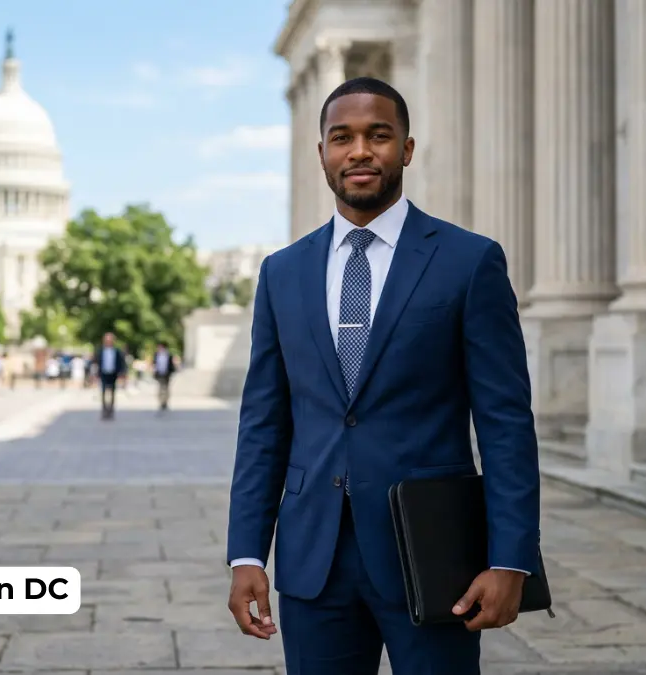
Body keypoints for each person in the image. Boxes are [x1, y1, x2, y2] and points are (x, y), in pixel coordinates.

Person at [225, 77, 540, 674]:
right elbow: (264, 424)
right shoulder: (282, 273)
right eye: (341, 137)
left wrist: (512, 559)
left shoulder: (469, 262)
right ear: (321, 153)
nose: (360, 151)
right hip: (313, 562)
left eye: (379, 135)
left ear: (408, 149)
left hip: (431, 554)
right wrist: (246, 553)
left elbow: (505, 423)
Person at [95, 332, 126, 419]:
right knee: (104, 392)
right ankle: (104, 410)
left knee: (112, 392)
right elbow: (97, 363)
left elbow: (121, 363)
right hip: (104, 374)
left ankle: (111, 410)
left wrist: (121, 374)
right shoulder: (100, 351)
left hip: (113, 374)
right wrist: (96, 374)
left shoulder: (117, 351)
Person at [152, 342, 176, 410]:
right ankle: (161, 402)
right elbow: (154, 364)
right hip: (159, 374)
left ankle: (165, 402)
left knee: (166, 388)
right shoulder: (156, 355)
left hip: (166, 374)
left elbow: (171, 365)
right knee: (160, 388)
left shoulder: (168, 355)